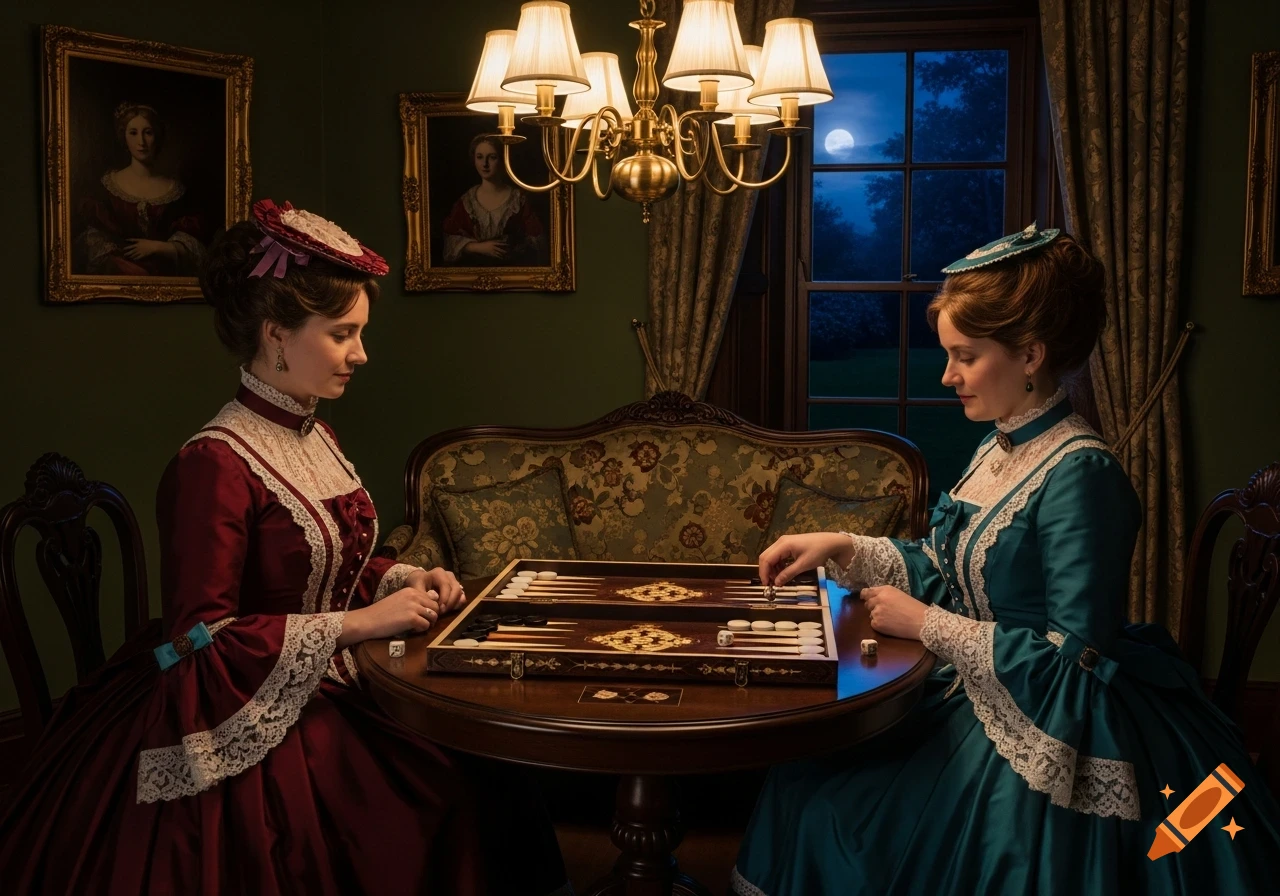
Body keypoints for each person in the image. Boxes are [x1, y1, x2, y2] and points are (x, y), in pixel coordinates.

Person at [0, 199, 569, 896]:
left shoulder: (312, 433)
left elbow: (322, 568)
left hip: (322, 674)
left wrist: (405, 581)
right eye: (342, 334)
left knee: (478, 759)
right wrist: (363, 624)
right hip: (237, 704)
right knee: (430, 796)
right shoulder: (214, 463)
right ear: (276, 335)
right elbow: (199, 640)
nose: (361, 354)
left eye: (360, 334)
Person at [730, 226, 1280, 895]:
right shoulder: (1001, 447)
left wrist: (927, 625)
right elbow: (953, 567)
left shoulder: (1082, 474)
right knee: (808, 767)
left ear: (1030, 355)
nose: (947, 375)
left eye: (965, 356)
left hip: (1057, 717)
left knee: (837, 807)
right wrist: (844, 546)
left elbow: (1074, 660)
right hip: (983, 684)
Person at [74, 102, 207, 276]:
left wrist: (158, 247)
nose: (141, 142)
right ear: (124, 137)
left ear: (157, 136)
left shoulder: (177, 191)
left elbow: (194, 249)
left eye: (148, 132)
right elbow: (92, 243)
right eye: (133, 133)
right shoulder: (106, 188)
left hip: (166, 280)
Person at [441, 133, 547, 266]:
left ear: (502, 159)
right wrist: (477, 247)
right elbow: (449, 240)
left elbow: (537, 241)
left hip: (513, 270)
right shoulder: (467, 201)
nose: (485, 164)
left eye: (492, 157)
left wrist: (514, 247)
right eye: (480, 157)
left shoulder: (518, 200)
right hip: (473, 271)